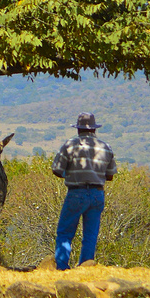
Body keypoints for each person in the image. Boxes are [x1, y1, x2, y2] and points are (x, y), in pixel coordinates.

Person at [51, 113, 117, 269]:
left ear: (78, 129)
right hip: (97, 194)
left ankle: (61, 266)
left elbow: (57, 170)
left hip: (76, 192)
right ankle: (86, 266)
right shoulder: (106, 147)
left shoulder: (70, 145)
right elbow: (110, 176)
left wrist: (72, 174)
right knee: (90, 235)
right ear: (94, 130)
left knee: (65, 232)